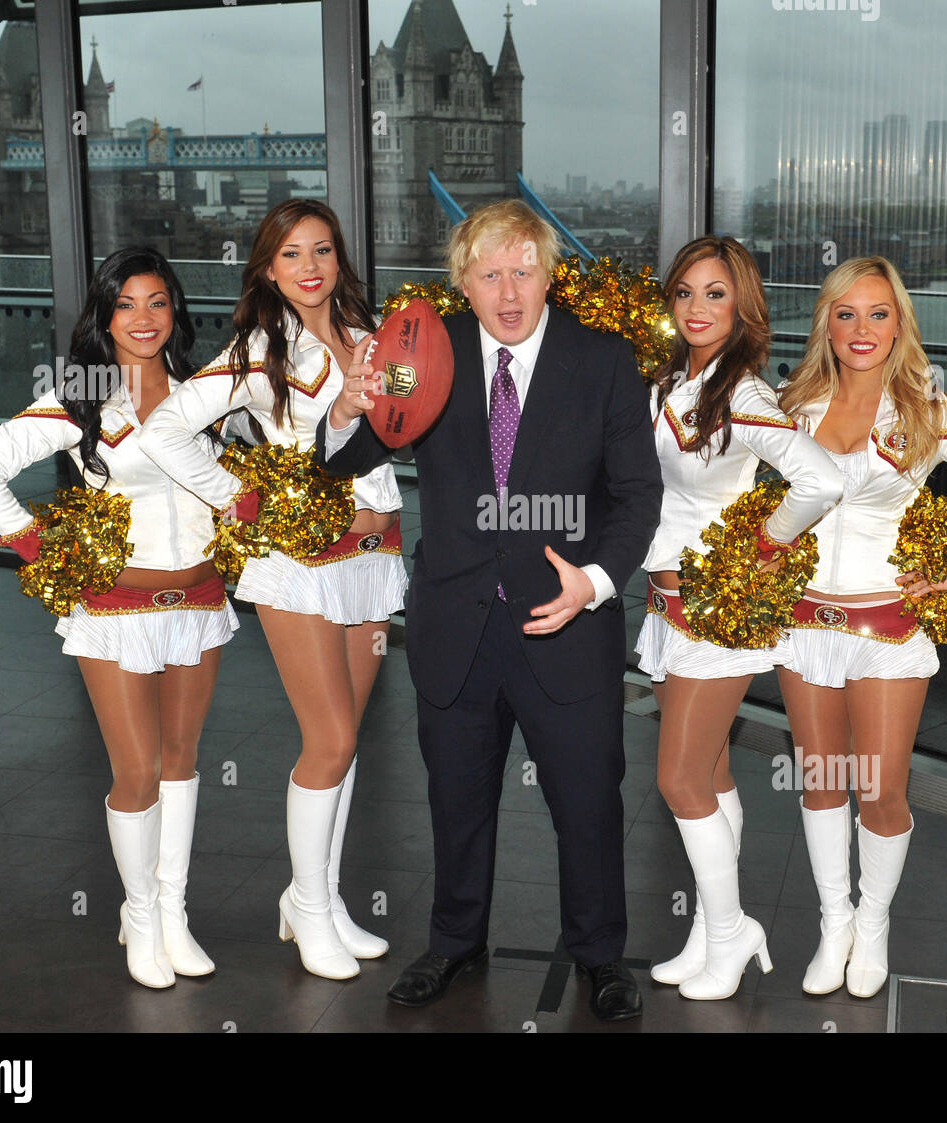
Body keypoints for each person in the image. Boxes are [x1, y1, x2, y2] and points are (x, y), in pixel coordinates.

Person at [316, 200, 663, 1021]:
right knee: (455, 798)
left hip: (567, 624)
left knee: (587, 801)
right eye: (489, 273)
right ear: (463, 282)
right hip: (455, 625)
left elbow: (637, 498)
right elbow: (347, 457)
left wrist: (597, 582)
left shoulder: (605, 360)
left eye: (524, 271)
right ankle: (454, 940)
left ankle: (601, 954)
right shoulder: (421, 353)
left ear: (549, 274)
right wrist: (346, 407)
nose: (509, 292)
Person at [0, 247, 236, 988]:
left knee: (181, 761)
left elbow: (238, 478)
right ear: (103, 316)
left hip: (199, 599)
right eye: (126, 304)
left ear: (176, 310)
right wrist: (39, 548)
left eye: (158, 302)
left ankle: (172, 911)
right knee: (136, 767)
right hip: (113, 607)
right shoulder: (81, 395)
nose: (143, 319)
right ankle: (138, 912)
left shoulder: (205, 393)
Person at [139, 200, 405, 980]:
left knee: (347, 738)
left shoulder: (367, 337)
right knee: (330, 741)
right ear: (266, 268)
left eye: (322, 249)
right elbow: (166, 430)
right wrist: (239, 497)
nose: (311, 266)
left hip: (373, 551)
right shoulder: (259, 350)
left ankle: (314, 895)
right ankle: (311, 911)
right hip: (298, 562)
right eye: (291, 254)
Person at [775, 256, 947, 998]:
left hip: (887, 624)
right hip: (804, 624)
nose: (862, 329)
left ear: (899, 324)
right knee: (822, 782)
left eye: (878, 313)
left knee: (882, 790)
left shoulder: (925, 406)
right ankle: (834, 923)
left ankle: (874, 925)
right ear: (827, 319)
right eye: (846, 312)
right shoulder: (797, 401)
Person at [637, 237, 843, 1000]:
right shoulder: (673, 378)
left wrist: (762, 544)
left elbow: (818, 481)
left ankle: (731, 931)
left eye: (715, 294)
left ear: (743, 304)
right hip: (668, 602)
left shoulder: (747, 396)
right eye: (685, 292)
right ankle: (709, 930)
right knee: (713, 769)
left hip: (713, 611)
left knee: (679, 776)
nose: (696, 308)